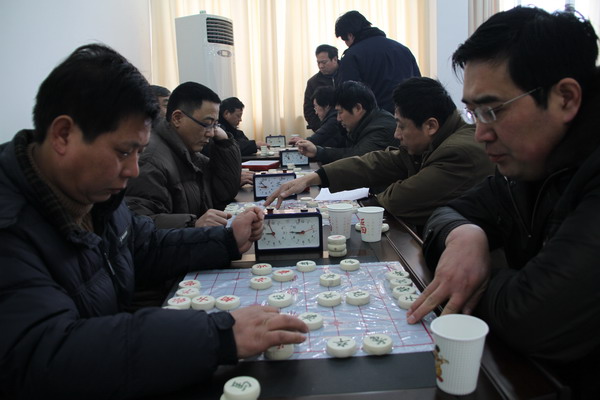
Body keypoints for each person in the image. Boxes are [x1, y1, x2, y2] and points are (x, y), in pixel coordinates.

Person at [0, 44, 307, 400]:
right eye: (123, 152)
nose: (133, 170)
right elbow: (46, 356)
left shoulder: (95, 194)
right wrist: (217, 334)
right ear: (63, 135)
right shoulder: (11, 227)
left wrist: (226, 239)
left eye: (139, 153)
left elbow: (144, 245)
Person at [405, 7, 600, 398]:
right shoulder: (526, 166)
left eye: (492, 110)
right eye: (473, 112)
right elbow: (447, 213)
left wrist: (474, 276)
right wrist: (465, 235)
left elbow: (533, 317)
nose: (480, 133)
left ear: (565, 98)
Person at [266, 77, 493, 233]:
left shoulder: (458, 152)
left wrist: (342, 208)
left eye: (401, 126)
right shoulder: (436, 139)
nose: (396, 134)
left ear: (430, 126)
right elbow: (380, 161)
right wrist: (316, 177)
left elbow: (401, 199)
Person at [126, 82, 241, 229]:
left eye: (215, 125)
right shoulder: (151, 161)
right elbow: (139, 225)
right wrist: (193, 224)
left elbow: (224, 192)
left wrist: (224, 143)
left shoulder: (190, 153)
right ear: (177, 118)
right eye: (207, 123)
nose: (212, 133)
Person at [335, 10, 421, 114]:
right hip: (407, 115)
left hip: (376, 119)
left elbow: (348, 95)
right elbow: (418, 84)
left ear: (350, 35)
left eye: (344, 40)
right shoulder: (402, 49)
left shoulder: (352, 56)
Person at [303, 44, 339, 132]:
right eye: (318, 63)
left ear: (335, 59)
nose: (321, 66)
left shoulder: (349, 73)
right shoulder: (313, 82)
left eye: (324, 62)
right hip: (325, 130)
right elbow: (309, 110)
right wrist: (320, 128)